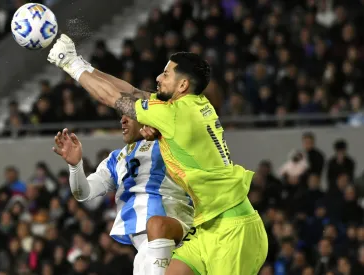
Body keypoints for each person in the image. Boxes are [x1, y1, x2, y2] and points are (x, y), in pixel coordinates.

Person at [47, 34, 268, 275]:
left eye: (166, 74)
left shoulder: (174, 115)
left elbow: (112, 98)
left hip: (233, 229)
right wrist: (85, 64)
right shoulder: (189, 105)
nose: (158, 78)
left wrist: (69, 64)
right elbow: (132, 92)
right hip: (207, 225)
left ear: (182, 85)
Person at [52, 115, 194, 275]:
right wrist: (75, 166)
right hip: (146, 246)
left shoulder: (167, 145)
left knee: (156, 228)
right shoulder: (115, 159)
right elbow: (83, 193)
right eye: (122, 115)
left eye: (131, 115)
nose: (123, 120)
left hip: (174, 231)